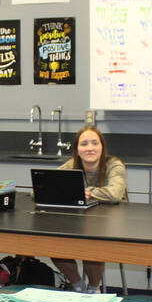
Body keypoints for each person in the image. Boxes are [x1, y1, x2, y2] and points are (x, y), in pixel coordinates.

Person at [52, 125, 126, 292]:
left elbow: (115, 193)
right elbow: (46, 186)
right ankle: (78, 285)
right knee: (53, 242)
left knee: (92, 244)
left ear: (102, 147)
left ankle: (93, 289)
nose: (90, 148)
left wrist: (88, 192)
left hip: (110, 223)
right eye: (84, 144)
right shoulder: (72, 165)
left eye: (95, 143)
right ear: (77, 150)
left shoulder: (114, 165)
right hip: (78, 222)